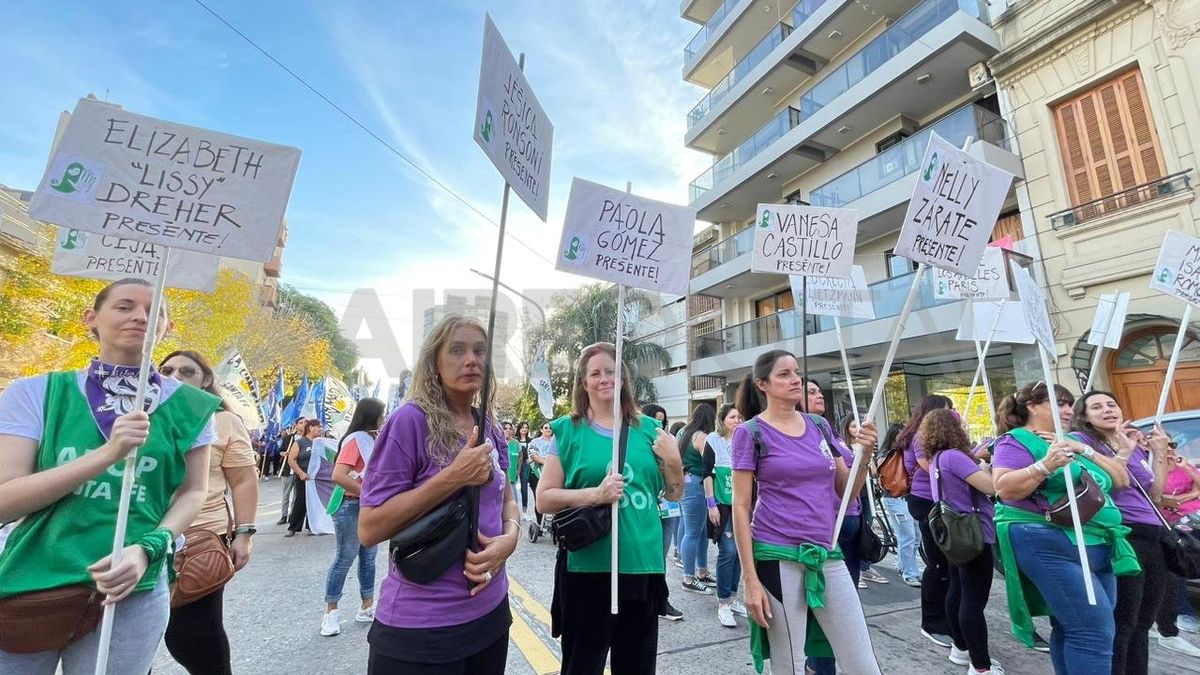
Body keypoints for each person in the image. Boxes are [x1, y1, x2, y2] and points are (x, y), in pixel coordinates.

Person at [0, 278, 221, 674]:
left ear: (166, 329)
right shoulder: (35, 393)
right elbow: (6, 499)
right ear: (92, 318)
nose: (140, 316)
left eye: (155, 312)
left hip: (131, 588)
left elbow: (193, 492)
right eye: (124, 306)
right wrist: (108, 454)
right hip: (31, 582)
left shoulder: (193, 407)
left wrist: (149, 548)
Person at [358, 315, 520, 674]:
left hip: (491, 614)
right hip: (422, 630)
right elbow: (369, 528)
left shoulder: (489, 425)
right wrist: (452, 477)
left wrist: (511, 538)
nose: (471, 359)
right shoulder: (409, 422)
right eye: (457, 350)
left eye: (480, 351)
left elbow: (507, 499)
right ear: (434, 363)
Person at [536, 342, 684, 674]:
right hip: (588, 567)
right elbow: (544, 498)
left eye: (611, 371)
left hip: (642, 566)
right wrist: (595, 495)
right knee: (581, 664)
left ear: (623, 379)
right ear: (583, 382)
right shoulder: (568, 430)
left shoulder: (649, 431)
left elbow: (674, 494)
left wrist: (673, 460)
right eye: (595, 373)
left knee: (636, 666)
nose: (604, 379)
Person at [731, 349, 881, 674]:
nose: (795, 379)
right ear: (763, 384)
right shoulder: (750, 433)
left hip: (827, 554)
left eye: (796, 372)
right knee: (791, 667)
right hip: (777, 557)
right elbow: (741, 508)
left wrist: (865, 454)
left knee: (862, 663)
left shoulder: (819, 425)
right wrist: (750, 580)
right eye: (784, 374)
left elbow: (846, 491)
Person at [992, 381, 1138, 674]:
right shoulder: (1015, 440)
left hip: (1097, 542)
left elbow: (1121, 479)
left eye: (1070, 403)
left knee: (1071, 625)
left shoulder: (1069, 440)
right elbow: (1003, 487)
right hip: (1051, 540)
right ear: (1032, 406)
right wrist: (1044, 465)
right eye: (1059, 403)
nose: (1068, 410)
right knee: (1094, 633)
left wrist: (1083, 447)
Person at [158, 349, 259, 675]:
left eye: (187, 371)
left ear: (206, 381)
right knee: (133, 639)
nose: (175, 376)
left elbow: (243, 480)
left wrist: (244, 534)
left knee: (192, 635)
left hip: (200, 539)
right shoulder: (138, 416)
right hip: (139, 538)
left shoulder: (223, 420)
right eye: (167, 369)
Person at [1069, 391, 1173, 674]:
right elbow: (1107, 483)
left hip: (1153, 535)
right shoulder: (1083, 443)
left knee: (1143, 622)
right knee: (1124, 621)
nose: (1107, 410)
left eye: (1111, 404)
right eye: (1097, 407)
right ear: (1084, 416)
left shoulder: (1129, 442)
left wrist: (1159, 452)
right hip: (1123, 535)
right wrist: (1123, 454)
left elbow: (1156, 495)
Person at [921, 408, 1000, 674]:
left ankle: (960, 648)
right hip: (973, 533)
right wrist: (989, 468)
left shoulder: (937, 458)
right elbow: (990, 487)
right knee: (974, 599)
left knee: (957, 589)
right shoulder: (955, 457)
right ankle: (981, 666)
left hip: (952, 535)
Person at [320, 397, 385, 637]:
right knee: (344, 559)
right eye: (382, 414)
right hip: (350, 505)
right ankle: (331, 612)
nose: (384, 418)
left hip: (367, 507)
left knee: (368, 559)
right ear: (372, 416)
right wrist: (367, 492)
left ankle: (366, 607)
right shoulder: (357, 440)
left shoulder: (370, 439)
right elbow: (339, 474)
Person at [898, 394, 956, 647]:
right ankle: (932, 622)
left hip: (934, 500)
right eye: (947, 409)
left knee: (944, 563)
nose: (951, 413)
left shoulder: (927, 434)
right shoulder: (923, 435)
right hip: (927, 502)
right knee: (938, 564)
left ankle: (944, 618)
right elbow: (929, 465)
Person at [702, 403, 746, 627]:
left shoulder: (746, 439)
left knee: (740, 553)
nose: (737, 420)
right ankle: (724, 604)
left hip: (744, 506)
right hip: (723, 506)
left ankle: (733, 597)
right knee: (728, 551)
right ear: (722, 419)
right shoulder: (713, 440)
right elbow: (707, 474)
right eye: (732, 417)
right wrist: (711, 505)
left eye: (740, 416)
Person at [642, 403, 684, 622]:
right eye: (655, 420)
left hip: (670, 509)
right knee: (650, 555)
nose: (659, 425)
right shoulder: (639, 442)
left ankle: (661, 599)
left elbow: (677, 479)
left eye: (663, 421)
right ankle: (651, 599)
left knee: (661, 558)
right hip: (647, 508)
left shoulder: (669, 442)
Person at [678, 403, 717, 595]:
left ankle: (702, 572)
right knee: (693, 533)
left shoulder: (683, 433)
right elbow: (710, 463)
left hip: (684, 482)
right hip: (696, 485)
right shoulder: (702, 437)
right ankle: (689, 578)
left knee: (699, 532)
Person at [878, 422, 922, 587]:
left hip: (909, 497)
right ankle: (909, 572)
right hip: (894, 498)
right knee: (908, 536)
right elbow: (877, 473)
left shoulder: (910, 452)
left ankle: (904, 566)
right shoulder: (888, 454)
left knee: (915, 536)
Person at [286, 419, 321, 536]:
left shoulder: (320, 442)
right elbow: (291, 460)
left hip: (316, 479)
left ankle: (312, 526)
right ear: (310, 428)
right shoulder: (300, 443)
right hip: (303, 478)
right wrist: (301, 473)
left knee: (314, 503)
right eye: (318, 427)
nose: (320, 429)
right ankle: (293, 527)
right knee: (300, 501)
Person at [527, 421, 552, 534]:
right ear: (541, 429)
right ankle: (539, 523)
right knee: (539, 498)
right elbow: (533, 455)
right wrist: (547, 463)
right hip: (537, 473)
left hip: (553, 474)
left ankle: (553, 523)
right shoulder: (535, 442)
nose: (548, 429)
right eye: (546, 428)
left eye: (550, 428)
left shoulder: (557, 442)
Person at [277, 418, 303, 525]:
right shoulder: (288, 438)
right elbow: (281, 450)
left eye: (304, 423)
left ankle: (293, 515)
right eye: (301, 423)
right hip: (288, 470)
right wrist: (283, 453)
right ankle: (284, 515)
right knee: (285, 494)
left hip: (300, 470)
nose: (303, 425)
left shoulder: (307, 439)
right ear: (295, 425)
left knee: (297, 495)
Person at [515, 421, 534, 519]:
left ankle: (525, 512)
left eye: (526, 427)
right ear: (519, 429)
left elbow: (532, 453)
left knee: (524, 488)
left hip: (526, 466)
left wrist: (530, 460)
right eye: (522, 427)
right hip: (515, 466)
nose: (524, 429)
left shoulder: (531, 441)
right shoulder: (515, 441)